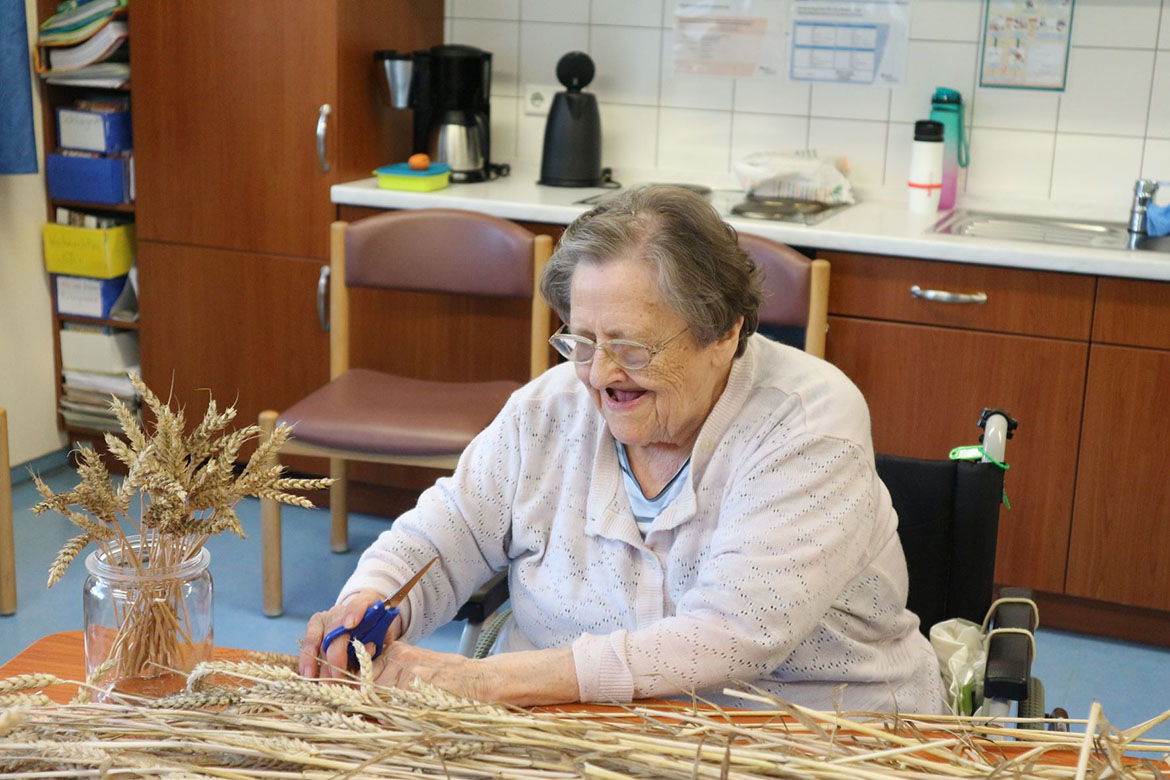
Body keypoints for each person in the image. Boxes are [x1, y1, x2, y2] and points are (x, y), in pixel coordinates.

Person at [299, 185, 945, 713]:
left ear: (725, 332)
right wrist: (374, 598)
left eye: (632, 348)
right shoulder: (549, 410)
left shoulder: (808, 425)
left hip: (799, 740)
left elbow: (729, 638)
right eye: (582, 342)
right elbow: (450, 533)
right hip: (584, 743)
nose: (601, 375)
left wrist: (484, 681)